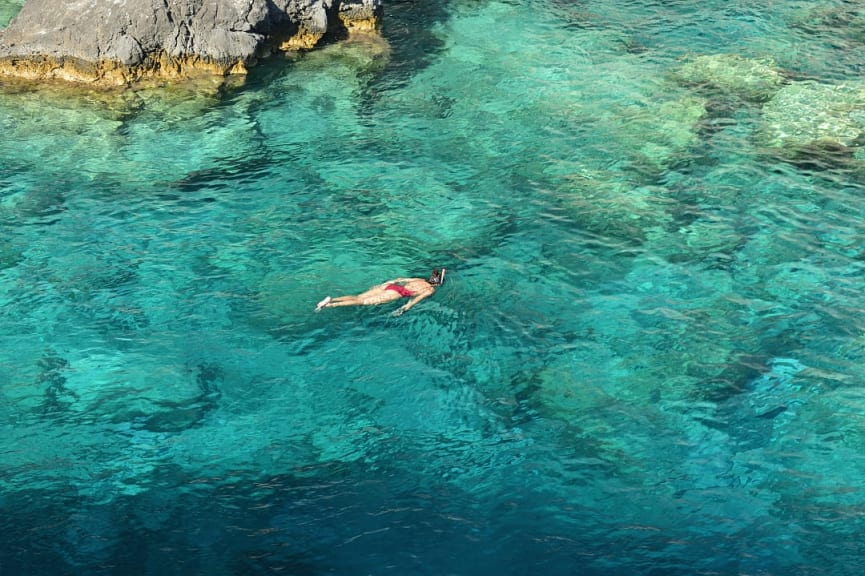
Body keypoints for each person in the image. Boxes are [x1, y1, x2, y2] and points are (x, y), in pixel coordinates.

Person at [316, 268, 446, 316]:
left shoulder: (419, 279)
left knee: (358, 296)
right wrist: (405, 308)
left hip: (390, 286)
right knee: (362, 302)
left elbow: (400, 279)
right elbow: (415, 299)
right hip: (398, 292)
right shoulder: (430, 290)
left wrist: (385, 284)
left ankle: (333, 299)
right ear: (437, 284)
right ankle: (329, 305)